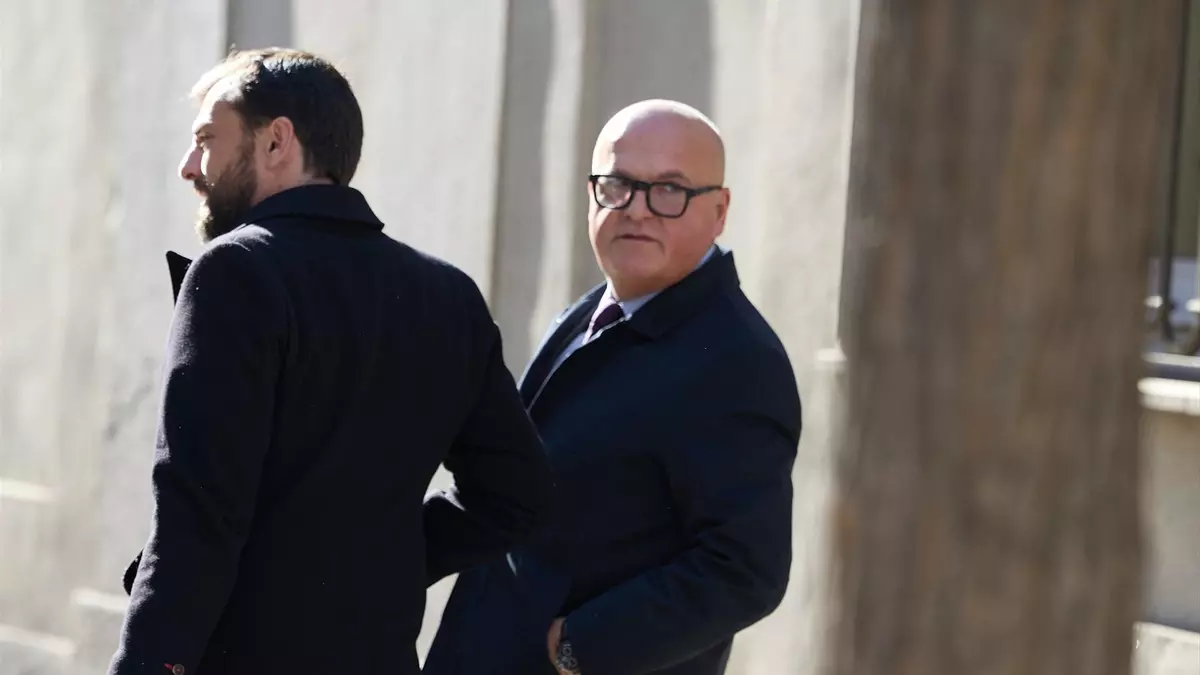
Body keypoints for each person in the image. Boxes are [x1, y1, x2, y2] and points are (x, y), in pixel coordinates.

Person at [108, 48, 554, 675]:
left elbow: (199, 514)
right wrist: (376, 563)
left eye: (207, 139)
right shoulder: (448, 294)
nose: (189, 166)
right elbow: (518, 497)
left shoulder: (237, 270)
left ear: (276, 142)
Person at [424, 99, 802, 675]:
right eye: (618, 185)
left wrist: (579, 647)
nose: (637, 210)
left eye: (669, 190)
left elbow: (746, 570)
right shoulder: (592, 313)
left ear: (719, 211)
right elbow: (519, 493)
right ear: (592, 193)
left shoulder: (736, 359)